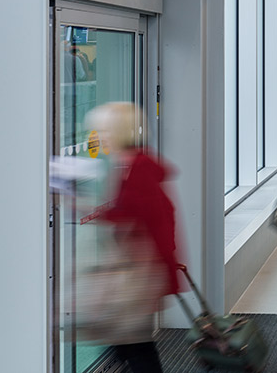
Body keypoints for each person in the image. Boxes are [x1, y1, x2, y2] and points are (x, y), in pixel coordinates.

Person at [87, 102, 182, 373]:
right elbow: (134, 211)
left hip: (138, 273)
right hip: (136, 271)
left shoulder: (138, 167)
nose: (99, 136)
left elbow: (151, 217)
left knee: (135, 348)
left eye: (104, 130)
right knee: (128, 345)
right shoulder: (128, 164)